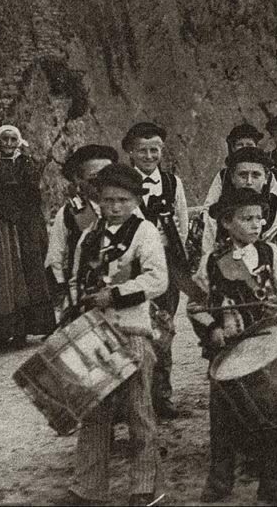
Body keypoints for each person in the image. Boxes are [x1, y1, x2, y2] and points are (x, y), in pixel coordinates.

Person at [188, 187, 277, 506]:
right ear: (226, 222)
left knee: (271, 416)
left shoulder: (269, 253)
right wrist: (212, 329)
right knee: (223, 418)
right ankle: (220, 478)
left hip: (266, 347)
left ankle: (272, 480)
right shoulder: (211, 262)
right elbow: (195, 306)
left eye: (260, 218)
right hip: (227, 353)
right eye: (247, 218)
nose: (256, 224)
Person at [66, 164, 165, 506]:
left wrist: (117, 294)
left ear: (136, 199)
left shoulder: (145, 232)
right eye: (109, 200)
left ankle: (144, 487)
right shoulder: (89, 235)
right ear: (99, 201)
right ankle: (87, 487)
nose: (116, 206)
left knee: (139, 409)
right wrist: (76, 309)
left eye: (123, 199)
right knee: (94, 411)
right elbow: (75, 279)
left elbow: (156, 280)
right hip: (96, 332)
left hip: (132, 329)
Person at [122, 121, 192, 419]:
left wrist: (173, 254)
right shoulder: (123, 183)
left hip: (165, 263)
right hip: (132, 266)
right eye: (142, 150)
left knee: (164, 327)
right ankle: (131, 400)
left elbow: (182, 221)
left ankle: (161, 395)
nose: (149, 156)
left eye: (155, 150)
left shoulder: (172, 182)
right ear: (130, 152)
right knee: (133, 328)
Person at [0, 124, 57, 344]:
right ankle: (13, 330)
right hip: (3, 222)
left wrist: (12, 210)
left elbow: (31, 194)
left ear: (19, 142)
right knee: (9, 273)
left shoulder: (27, 163)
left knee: (32, 271)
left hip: (27, 223)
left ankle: (38, 325)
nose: (8, 144)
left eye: (12, 140)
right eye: (4, 139)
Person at [201, 147, 277, 263]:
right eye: (243, 175)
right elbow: (207, 250)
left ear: (266, 178)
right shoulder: (219, 209)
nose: (249, 182)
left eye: (255, 175)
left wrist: (272, 252)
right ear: (232, 178)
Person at [45, 144, 118, 314]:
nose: (102, 184)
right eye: (94, 179)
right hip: (84, 297)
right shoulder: (70, 212)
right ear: (79, 180)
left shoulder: (128, 207)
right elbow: (55, 258)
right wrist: (66, 296)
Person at [203, 122, 275, 208]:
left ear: (256, 146)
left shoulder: (268, 175)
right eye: (240, 145)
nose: (245, 148)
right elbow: (210, 205)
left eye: (249, 144)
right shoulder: (224, 175)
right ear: (233, 148)